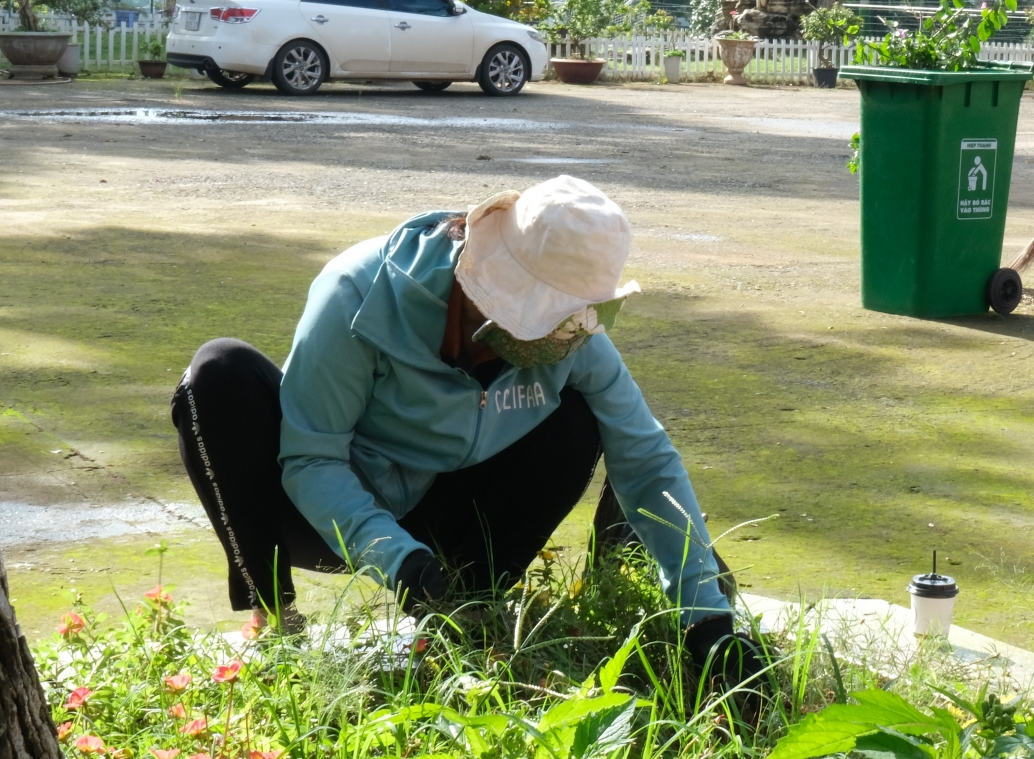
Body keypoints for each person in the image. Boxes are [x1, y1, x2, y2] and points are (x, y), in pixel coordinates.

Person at [171, 174, 763, 688]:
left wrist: (706, 615)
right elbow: (312, 460)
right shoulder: (358, 293)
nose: (558, 340)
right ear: (486, 284)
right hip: (325, 510)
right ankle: (272, 618)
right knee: (216, 376)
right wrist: (401, 563)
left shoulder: (575, 336)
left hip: (451, 508)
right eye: (540, 319)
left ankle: (465, 614)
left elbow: (648, 459)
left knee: (582, 422)